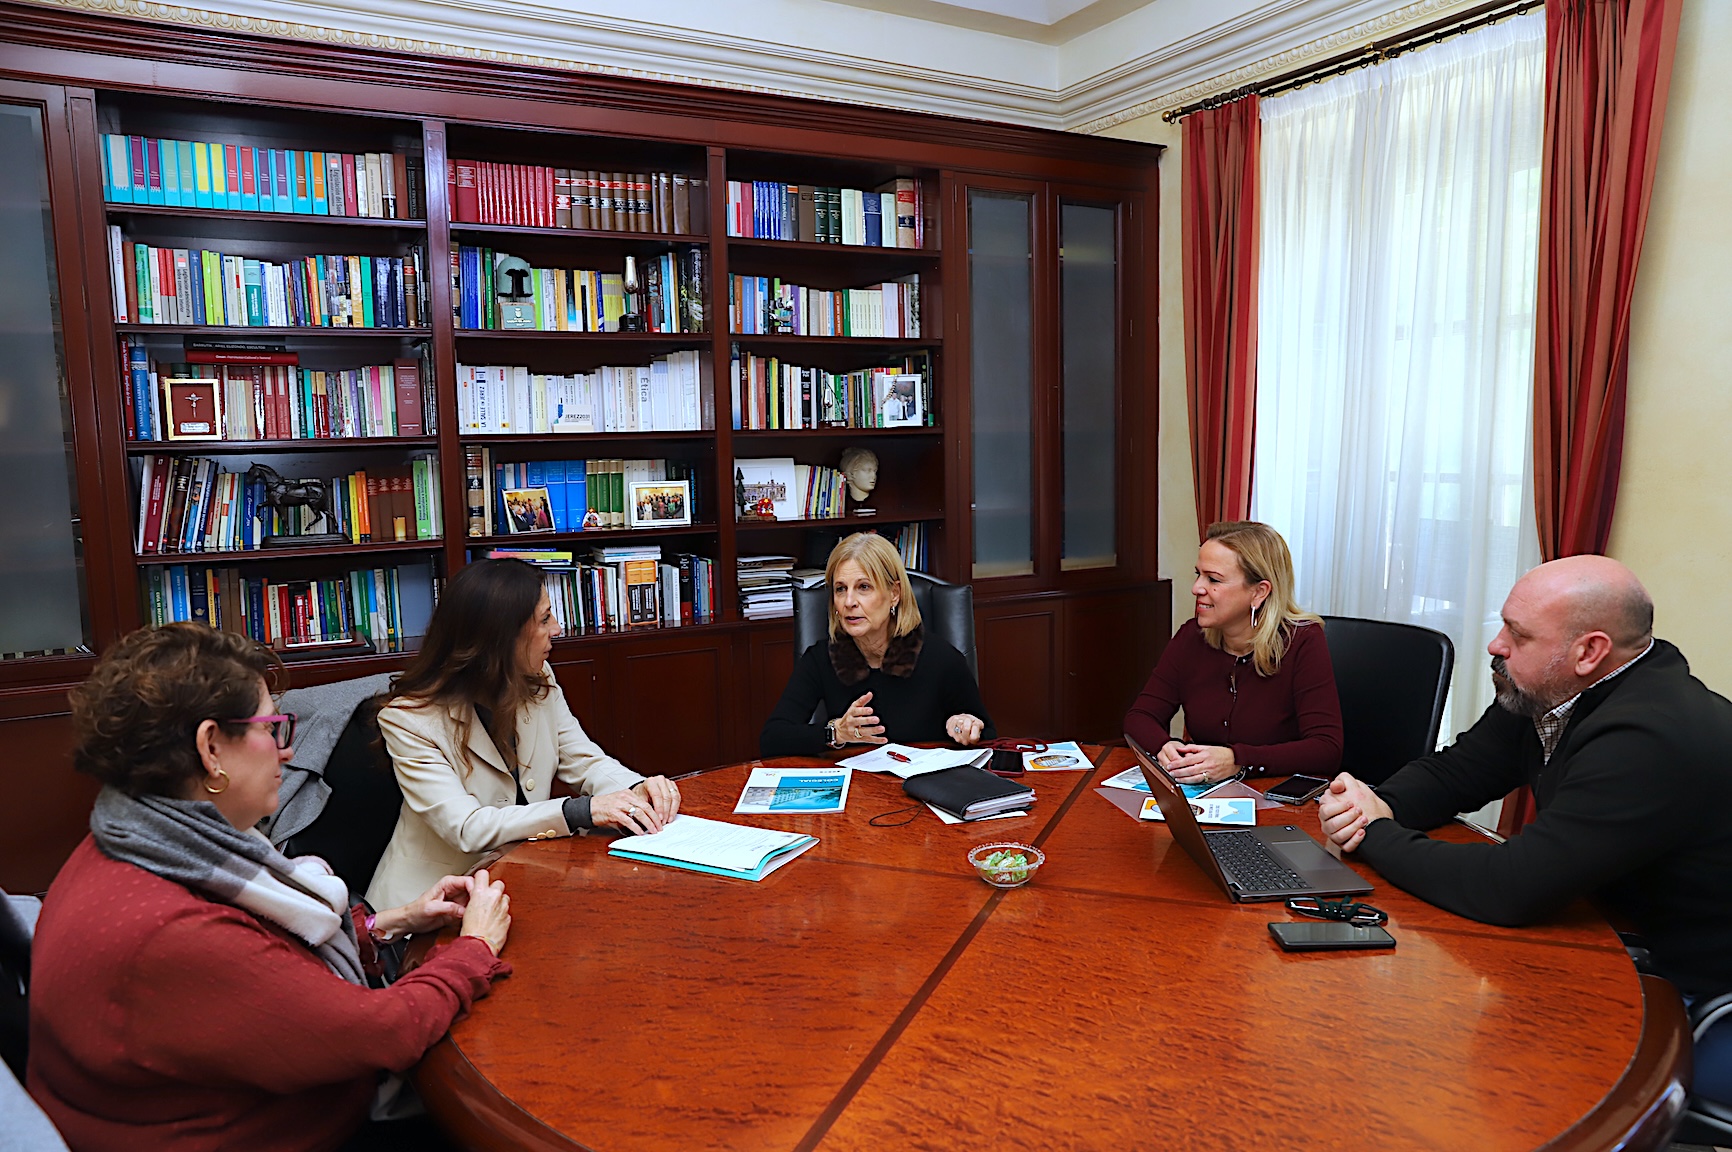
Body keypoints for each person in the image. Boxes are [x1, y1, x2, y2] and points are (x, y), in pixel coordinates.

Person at [28, 623, 512, 1151]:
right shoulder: (172, 930)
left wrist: (386, 922)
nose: (287, 751)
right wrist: (474, 949)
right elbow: (383, 1034)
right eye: (274, 727)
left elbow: (254, 961)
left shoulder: (132, 838)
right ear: (211, 748)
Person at [1319, 556, 1732, 1015]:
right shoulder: (1549, 690)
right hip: (1602, 934)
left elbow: (1512, 887)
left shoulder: (1651, 736)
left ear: (1589, 652)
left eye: (1518, 634)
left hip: (1689, 985)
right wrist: (1371, 805)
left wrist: (1375, 833)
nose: (1497, 645)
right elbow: (1455, 773)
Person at [366, 558, 680, 910]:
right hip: (432, 904)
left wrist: (636, 790)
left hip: (521, 882)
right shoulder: (408, 720)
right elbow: (468, 827)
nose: (558, 629)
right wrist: (580, 812)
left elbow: (584, 761)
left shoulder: (536, 676)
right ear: (501, 637)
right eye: (545, 619)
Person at [1124, 520, 1343, 786]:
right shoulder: (1191, 637)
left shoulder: (1303, 641)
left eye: (1213, 579)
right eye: (1198, 575)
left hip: (1277, 800)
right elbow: (1140, 717)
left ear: (1259, 592)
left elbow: (1326, 749)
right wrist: (1164, 746)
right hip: (1205, 795)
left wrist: (1237, 760)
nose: (1196, 588)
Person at [760, 532, 993, 756]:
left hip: (924, 788)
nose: (849, 602)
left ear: (894, 593)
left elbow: (988, 736)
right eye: (841, 589)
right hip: (856, 788)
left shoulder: (940, 658)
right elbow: (772, 738)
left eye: (864, 587)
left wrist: (963, 726)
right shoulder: (823, 658)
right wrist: (835, 733)